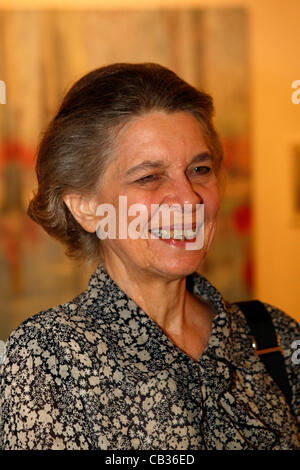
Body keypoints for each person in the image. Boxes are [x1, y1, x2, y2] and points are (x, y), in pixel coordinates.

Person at [0, 63, 299, 450]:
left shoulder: (273, 335)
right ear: (86, 207)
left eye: (199, 169)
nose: (189, 199)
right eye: (148, 177)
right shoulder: (47, 359)